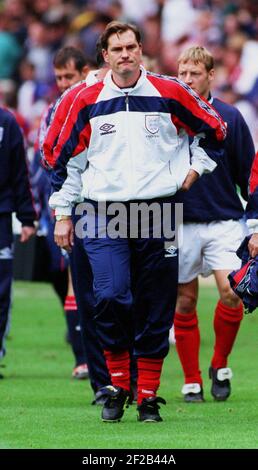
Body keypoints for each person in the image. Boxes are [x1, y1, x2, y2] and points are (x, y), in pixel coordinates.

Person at [43, 21, 226, 423]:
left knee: (155, 306)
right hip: (100, 212)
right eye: (117, 49)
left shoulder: (170, 91)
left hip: (157, 210)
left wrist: (196, 169)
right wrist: (62, 213)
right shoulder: (83, 99)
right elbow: (60, 159)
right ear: (104, 56)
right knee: (109, 296)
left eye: (131, 46)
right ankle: (116, 385)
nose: (125, 54)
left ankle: (146, 396)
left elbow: (215, 130)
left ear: (140, 49)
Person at [173, 46, 255, 403]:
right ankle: (191, 379)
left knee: (232, 293)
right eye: (183, 73)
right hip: (178, 221)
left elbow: (249, 176)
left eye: (194, 73)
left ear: (211, 76)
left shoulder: (230, 117)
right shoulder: (167, 116)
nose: (188, 79)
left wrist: (254, 223)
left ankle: (219, 364)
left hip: (224, 219)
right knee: (184, 301)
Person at [36, 46, 91, 380]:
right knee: (72, 279)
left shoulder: (98, 99)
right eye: (58, 77)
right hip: (68, 204)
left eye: (68, 76)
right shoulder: (54, 110)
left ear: (84, 72)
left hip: (102, 202)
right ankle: (82, 356)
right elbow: (46, 157)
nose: (62, 83)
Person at [0, 106, 37, 374]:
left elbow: (19, 170)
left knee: (1, 291)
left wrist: (26, 217)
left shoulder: (6, 122)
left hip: (1, 216)